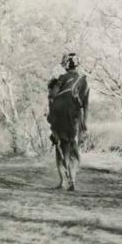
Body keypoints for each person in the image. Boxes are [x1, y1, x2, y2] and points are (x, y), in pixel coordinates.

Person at [47, 53, 89, 191]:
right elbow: (85, 104)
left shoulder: (61, 79)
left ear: (65, 65)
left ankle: (63, 181)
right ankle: (72, 179)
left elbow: (53, 96)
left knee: (61, 148)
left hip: (60, 118)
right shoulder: (83, 80)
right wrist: (84, 124)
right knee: (73, 149)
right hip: (75, 118)